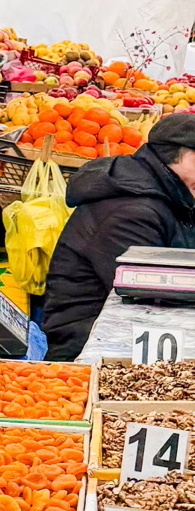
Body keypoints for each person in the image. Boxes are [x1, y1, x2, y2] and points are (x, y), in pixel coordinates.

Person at [42, 112, 195, 359]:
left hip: (123, 330)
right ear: (173, 155)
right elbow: (148, 295)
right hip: (89, 344)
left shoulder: (170, 192)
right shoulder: (131, 211)